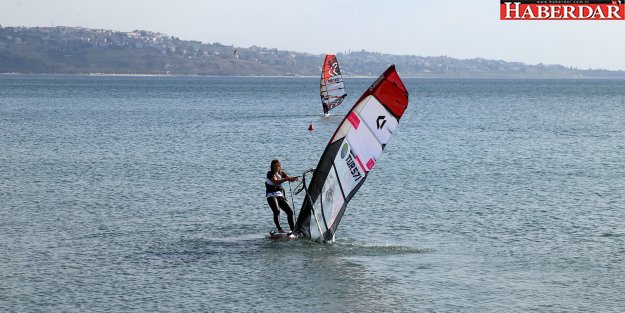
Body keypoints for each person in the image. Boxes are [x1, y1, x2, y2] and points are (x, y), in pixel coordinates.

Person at [265, 159, 298, 233]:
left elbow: (288, 178)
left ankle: (293, 230)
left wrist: (292, 179)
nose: (277, 167)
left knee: (290, 212)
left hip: (279, 194)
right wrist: (286, 179)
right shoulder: (270, 173)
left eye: (279, 166)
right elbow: (276, 182)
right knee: (277, 211)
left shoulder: (281, 173)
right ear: (272, 167)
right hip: (271, 195)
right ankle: (279, 229)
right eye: (276, 166)